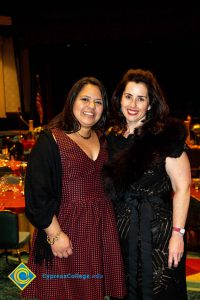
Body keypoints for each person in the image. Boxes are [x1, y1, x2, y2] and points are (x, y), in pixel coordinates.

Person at [22, 76, 126, 300]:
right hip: (63, 228)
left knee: (91, 292)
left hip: (99, 227)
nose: (91, 106)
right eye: (85, 99)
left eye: (98, 102)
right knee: (58, 291)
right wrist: (54, 235)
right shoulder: (51, 140)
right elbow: (36, 193)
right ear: (72, 102)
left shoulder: (104, 139)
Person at [103, 69, 191, 300]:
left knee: (160, 292)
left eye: (141, 98)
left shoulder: (165, 135)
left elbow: (183, 187)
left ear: (150, 104)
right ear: (119, 99)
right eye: (128, 96)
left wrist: (178, 234)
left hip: (159, 236)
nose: (133, 104)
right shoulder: (108, 138)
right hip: (121, 234)